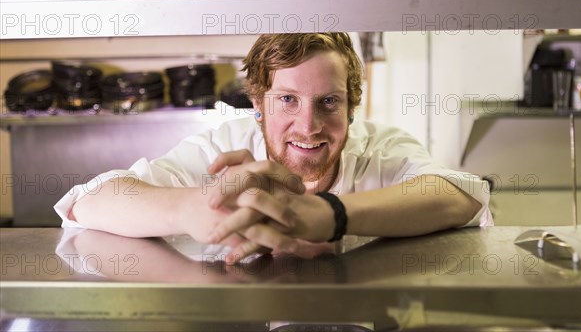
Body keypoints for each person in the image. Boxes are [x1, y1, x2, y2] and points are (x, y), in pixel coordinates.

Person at [55, 33, 493, 264]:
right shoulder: (222, 147)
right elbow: (88, 201)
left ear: (352, 106)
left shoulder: (381, 147)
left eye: (329, 102)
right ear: (258, 104)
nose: (308, 125)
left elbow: (461, 194)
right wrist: (193, 208)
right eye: (287, 99)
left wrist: (330, 215)